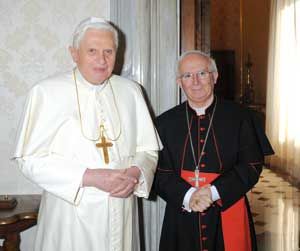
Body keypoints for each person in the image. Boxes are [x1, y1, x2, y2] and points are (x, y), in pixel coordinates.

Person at [11, 17, 161, 251]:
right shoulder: (46, 92)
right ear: (74, 53)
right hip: (71, 215)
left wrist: (135, 172)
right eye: (92, 51)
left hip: (122, 212)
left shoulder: (131, 92)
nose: (102, 60)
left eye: (108, 51)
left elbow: (148, 150)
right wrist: (89, 176)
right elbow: (29, 159)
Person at [154, 50, 274, 251]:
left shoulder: (241, 117)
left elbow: (251, 164)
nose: (195, 82)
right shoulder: (164, 123)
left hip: (228, 204)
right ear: (179, 82)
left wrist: (214, 192)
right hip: (182, 212)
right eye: (187, 76)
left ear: (215, 77)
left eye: (202, 73)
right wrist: (188, 195)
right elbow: (158, 171)